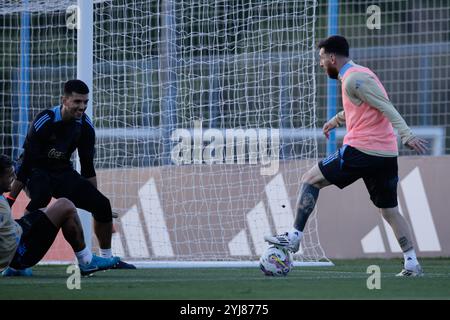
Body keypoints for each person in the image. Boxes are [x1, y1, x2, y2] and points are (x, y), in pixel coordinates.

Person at [265, 35, 428, 277]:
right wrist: (337, 120)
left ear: (332, 58)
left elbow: (385, 105)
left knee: (311, 179)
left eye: (321, 58)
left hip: (361, 151)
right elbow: (364, 106)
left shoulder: (354, 78)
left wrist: (406, 134)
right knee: (389, 210)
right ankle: (411, 263)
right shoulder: (357, 75)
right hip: (384, 155)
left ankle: (294, 237)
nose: (320, 64)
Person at [7, 79, 134, 269]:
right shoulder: (44, 121)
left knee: (102, 205)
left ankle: (108, 259)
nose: (82, 107)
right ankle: (17, 259)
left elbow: (88, 167)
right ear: (64, 100)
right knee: (42, 195)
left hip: (61, 171)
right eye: (77, 102)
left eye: (85, 102)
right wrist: (9, 201)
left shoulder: (85, 127)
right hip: (35, 169)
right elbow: (25, 165)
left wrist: (94, 201)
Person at [0, 154, 120, 276]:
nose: (14, 177)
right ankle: (86, 260)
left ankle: (86, 260)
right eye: (9, 174)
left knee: (51, 209)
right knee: (65, 205)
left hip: (19, 236)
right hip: (19, 252)